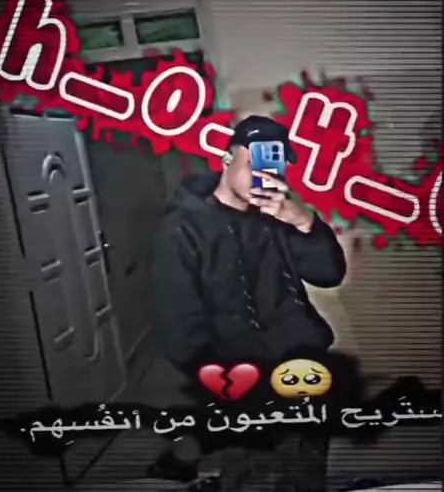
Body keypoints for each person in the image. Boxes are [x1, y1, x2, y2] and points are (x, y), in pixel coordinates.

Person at [148, 115, 347, 491]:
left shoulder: (279, 214)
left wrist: (305, 222)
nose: (263, 177)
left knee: (307, 468)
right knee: (253, 476)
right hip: (240, 379)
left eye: (273, 166)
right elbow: (177, 326)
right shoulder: (183, 229)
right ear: (226, 159)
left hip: (303, 365)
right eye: (254, 163)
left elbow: (329, 274)